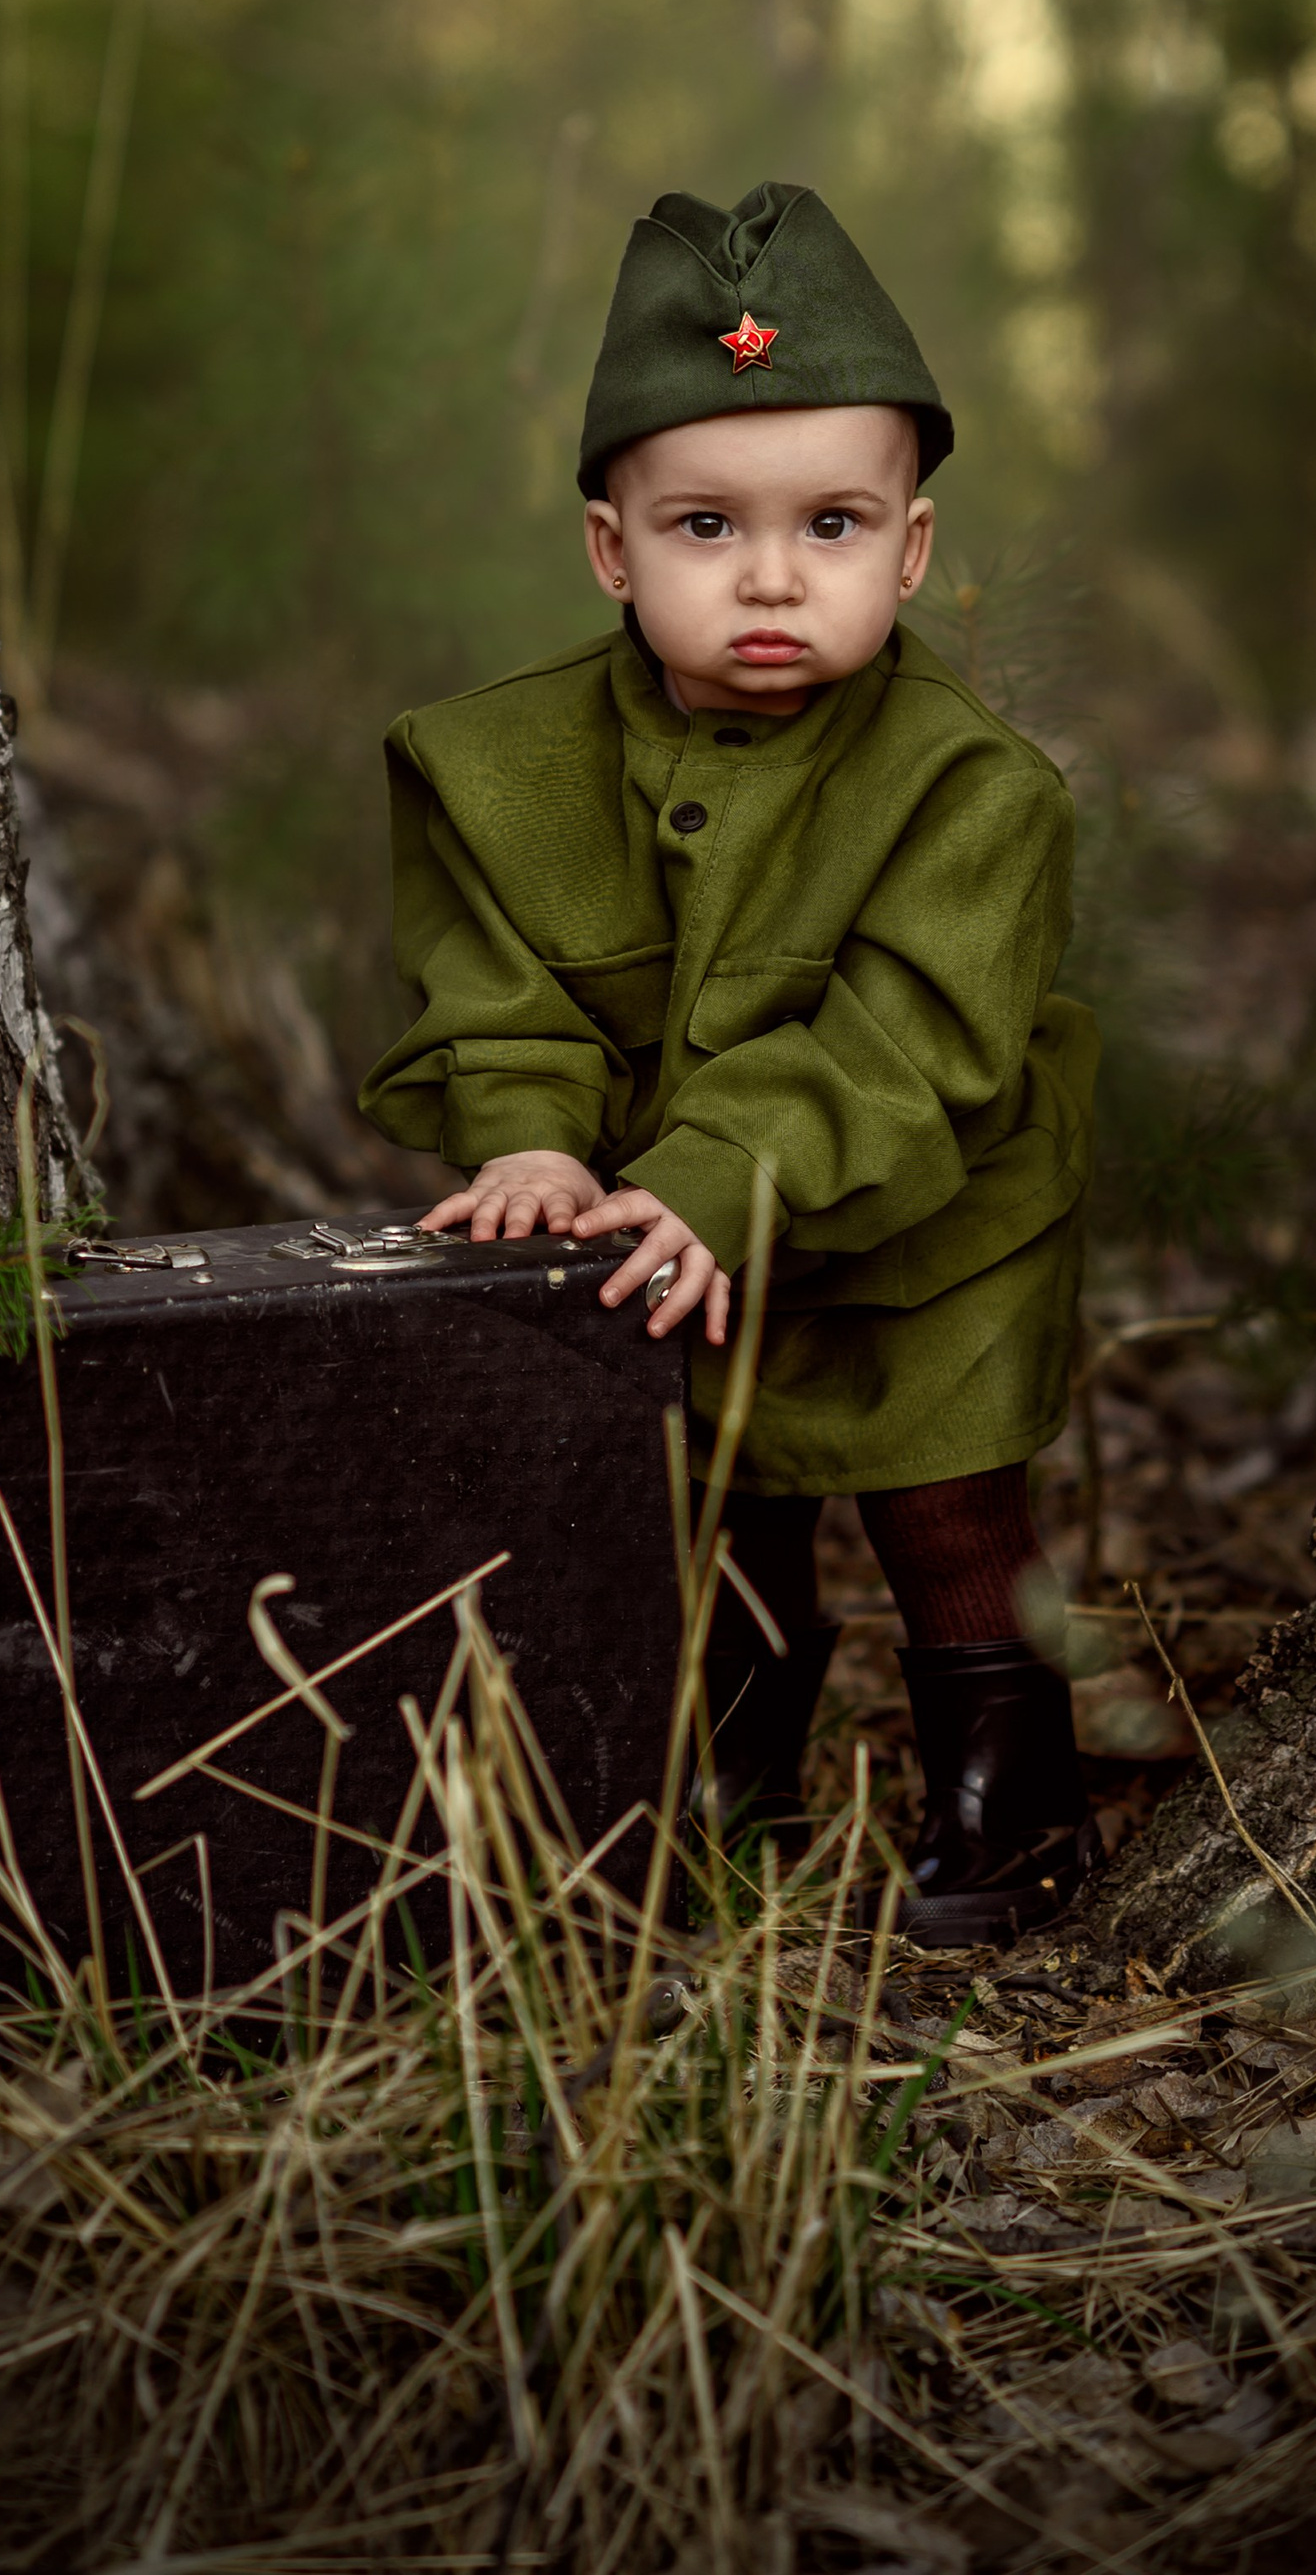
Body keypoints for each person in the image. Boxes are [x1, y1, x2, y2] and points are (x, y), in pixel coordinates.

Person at [358, 181, 1100, 1943]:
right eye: (707, 523)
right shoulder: (500, 768)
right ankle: (719, 1779)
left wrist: (710, 1174)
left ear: (911, 552)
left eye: (832, 523)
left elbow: (913, 1037)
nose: (772, 575)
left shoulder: (972, 791)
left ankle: (1012, 1796)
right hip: (651, 1240)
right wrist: (534, 1139)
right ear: (613, 547)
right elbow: (501, 990)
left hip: (928, 1230)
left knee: (943, 1493)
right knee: (702, 1493)